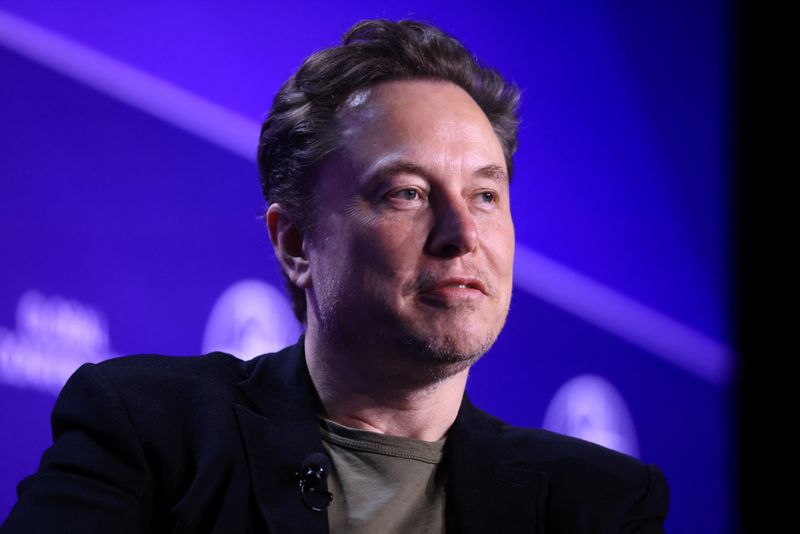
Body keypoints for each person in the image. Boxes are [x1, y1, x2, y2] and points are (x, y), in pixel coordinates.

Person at [1, 19, 669, 533]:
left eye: (486, 196)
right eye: (406, 192)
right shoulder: (151, 433)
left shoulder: (598, 503)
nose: (463, 235)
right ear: (296, 243)